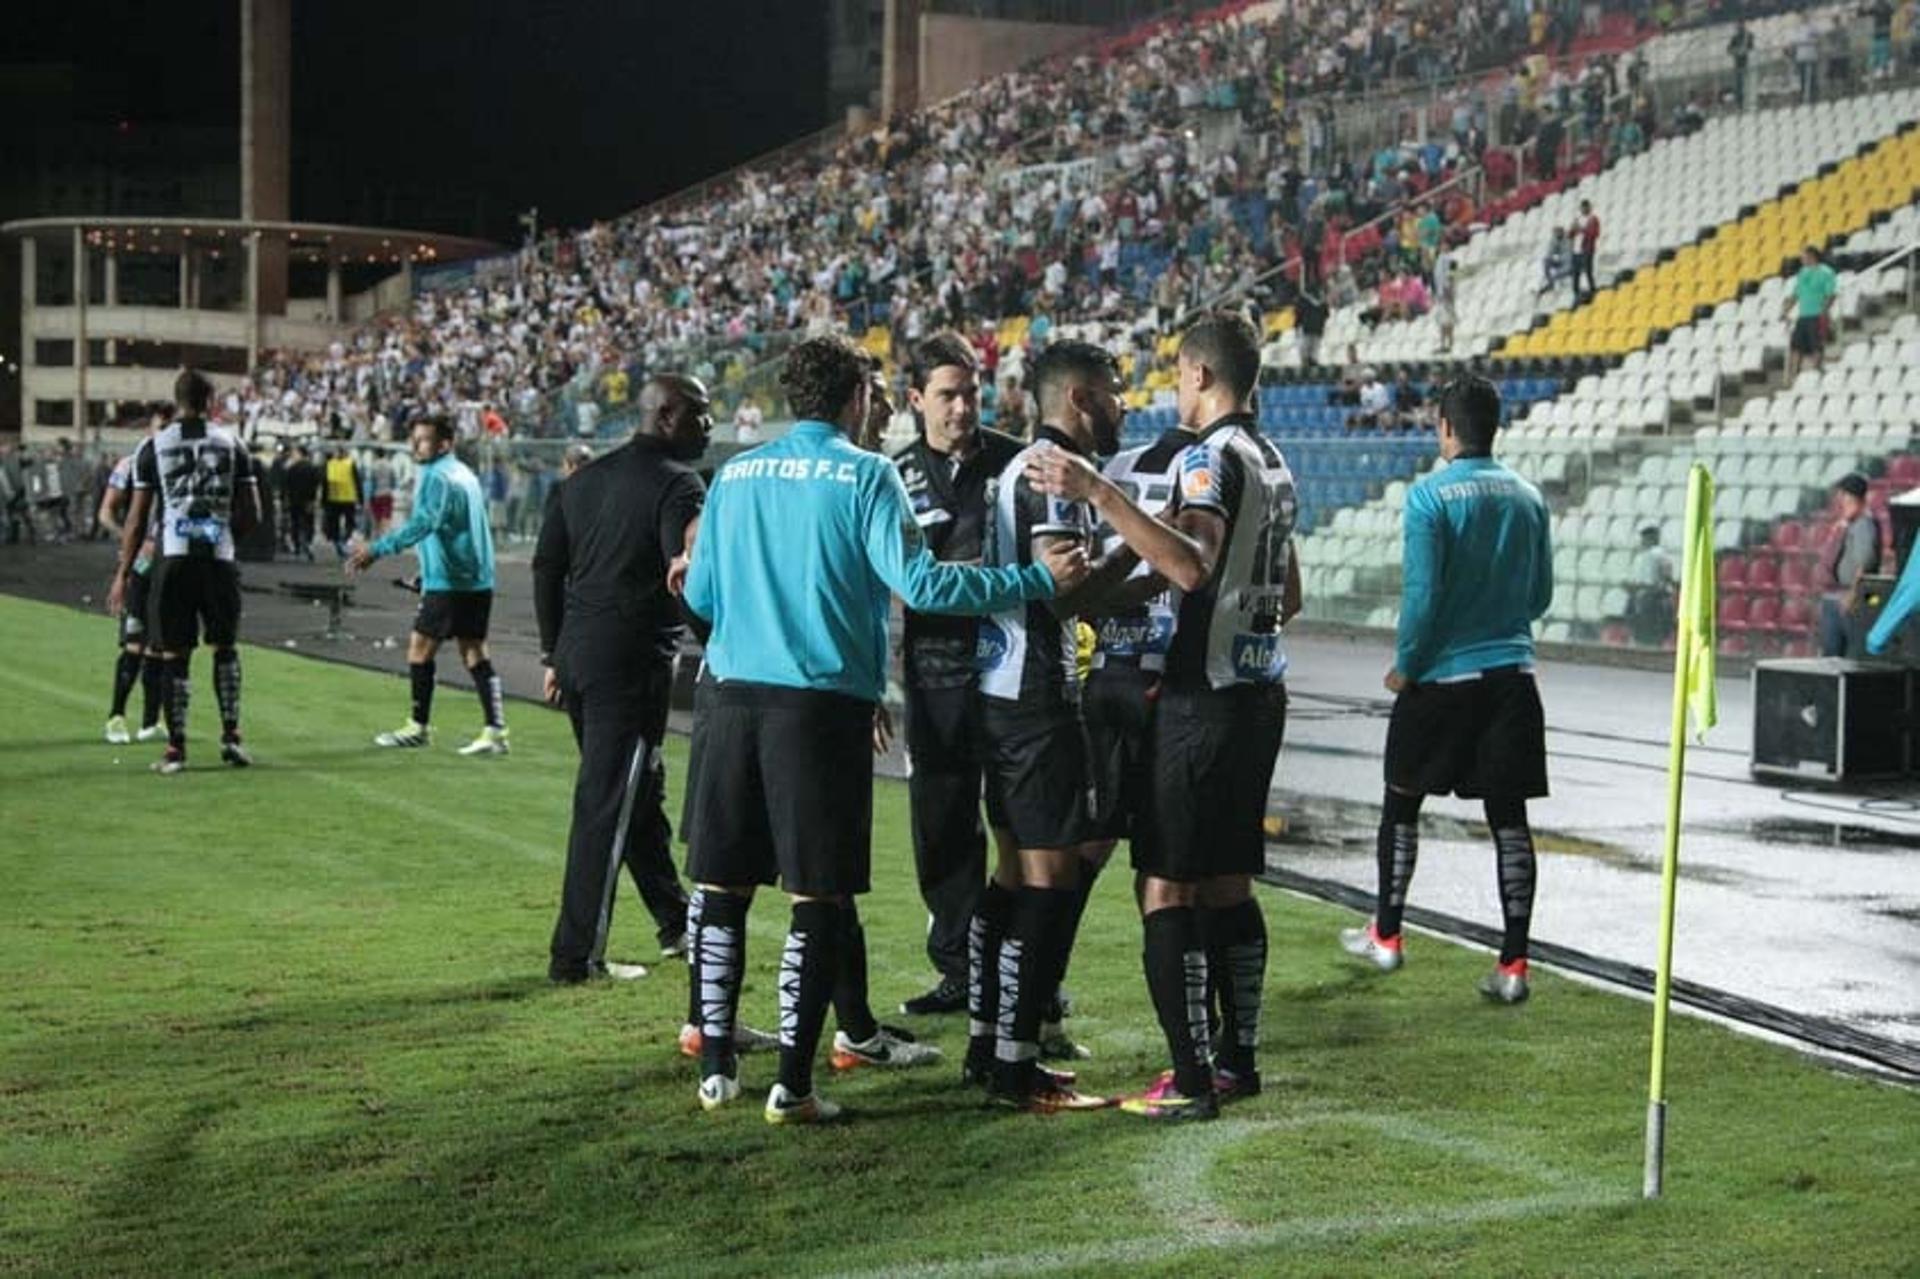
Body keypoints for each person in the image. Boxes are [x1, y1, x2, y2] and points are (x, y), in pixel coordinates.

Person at [677, 333, 1086, 1124]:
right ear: (856, 397)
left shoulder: (733, 473)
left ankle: (718, 1065)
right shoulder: (867, 473)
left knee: (721, 884)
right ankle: (793, 1086)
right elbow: (921, 583)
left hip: (728, 698)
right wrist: (1036, 577)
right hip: (815, 705)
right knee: (816, 897)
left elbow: (702, 594)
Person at [1028, 311, 1302, 1122]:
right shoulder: (1273, 460)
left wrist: (1097, 492)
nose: (1174, 388)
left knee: (1165, 887)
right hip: (1259, 694)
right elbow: (1288, 593)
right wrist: (1112, 588)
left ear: (1200, 374)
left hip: (1201, 700)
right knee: (1226, 883)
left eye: (1179, 374)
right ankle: (1236, 1061)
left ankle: (1187, 1078)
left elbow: (1187, 563)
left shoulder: (1207, 458)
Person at [1340, 375, 1554, 1005]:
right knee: (1509, 818)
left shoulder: (1429, 497)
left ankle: (1387, 935)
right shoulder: (1528, 497)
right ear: (1496, 428)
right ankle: (1514, 966)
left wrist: (1408, 663)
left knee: (1401, 802)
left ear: (1445, 429)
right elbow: (1540, 595)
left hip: (1443, 678)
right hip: (1513, 676)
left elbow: (1424, 595)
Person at [968, 340, 1140, 1113]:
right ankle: (1017, 1063)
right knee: (1050, 879)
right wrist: (1146, 553)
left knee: (1010, 875)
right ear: (1077, 397)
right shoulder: (1057, 472)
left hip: (998, 688)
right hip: (1037, 696)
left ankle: (985, 1041)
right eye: (1112, 392)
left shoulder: (1015, 466)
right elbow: (1065, 592)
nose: (1122, 405)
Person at [535, 376, 711, 985]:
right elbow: (682, 575)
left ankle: (675, 923)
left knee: (636, 798)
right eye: (699, 415)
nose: (708, 427)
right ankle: (575, 957)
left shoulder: (580, 481)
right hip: (630, 667)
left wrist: (551, 654)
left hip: (579, 660)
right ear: (665, 415)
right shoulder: (679, 484)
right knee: (607, 804)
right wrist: (722, 644)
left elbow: (546, 568)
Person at [888, 333, 1024, 1017]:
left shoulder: (1016, 461)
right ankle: (960, 970)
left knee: (1018, 827)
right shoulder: (896, 473)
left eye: (971, 393)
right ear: (917, 400)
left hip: (1011, 674)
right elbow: (903, 588)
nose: (963, 407)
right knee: (941, 829)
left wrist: (944, 581)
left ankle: (1030, 972)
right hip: (934, 678)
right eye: (948, 395)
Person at [106, 370, 262, 775]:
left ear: (177, 400)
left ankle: (176, 749)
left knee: (176, 653)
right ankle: (231, 736)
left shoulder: (153, 446)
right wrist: (224, 539)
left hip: (172, 561)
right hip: (218, 560)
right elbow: (253, 513)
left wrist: (124, 572)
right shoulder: (233, 442)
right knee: (224, 648)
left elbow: (137, 519)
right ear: (211, 399)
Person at [348, 417, 508, 757]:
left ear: (444, 444)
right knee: (474, 650)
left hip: (450, 583)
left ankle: (418, 727)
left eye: (423, 440)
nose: (416, 445)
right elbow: (457, 527)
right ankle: (495, 730)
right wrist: (426, 573)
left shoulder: (436, 476)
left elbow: (425, 523)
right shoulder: (464, 473)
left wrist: (376, 550)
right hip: (476, 578)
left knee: (419, 648)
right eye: (415, 438)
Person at [97, 412, 167, 746]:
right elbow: (106, 511)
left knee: (159, 646)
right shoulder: (130, 464)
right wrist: (126, 539)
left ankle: (151, 722)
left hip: (168, 567)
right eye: (159, 427)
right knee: (135, 643)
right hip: (140, 566)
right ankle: (115, 716)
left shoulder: (179, 467)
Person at [1819, 472, 1883, 656]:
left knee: (1846, 653)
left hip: (1851, 596)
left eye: (1844, 496)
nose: (1840, 501)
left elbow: (1865, 562)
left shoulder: (1864, 525)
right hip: (1838, 595)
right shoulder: (1849, 524)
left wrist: (1853, 593)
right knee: (1832, 652)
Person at [1784, 245, 1839, 381]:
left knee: (1816, 345)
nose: (1802, 260)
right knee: (1795, 345)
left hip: (1817, 314)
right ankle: (1793, 375)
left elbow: (1830, 294)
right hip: (1803, 315)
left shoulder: (1826, 272)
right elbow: (1796, 294)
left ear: (1812, 256)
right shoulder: (1802, 272)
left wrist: (1824, 312)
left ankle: (1816, 372)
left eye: (1804, 257)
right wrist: (1786, 310)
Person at [1627, 522, 1676, 647]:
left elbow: (1662, 578)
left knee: (1649, 633)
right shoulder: (1645, 555)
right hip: (1645, 595)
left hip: (1653, 598)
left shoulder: (1656, 554)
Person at [322, 447, 363, 558]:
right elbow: (357, 482)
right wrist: (360, 499)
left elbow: (325, 483)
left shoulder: (329, 464)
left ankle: (339, 543)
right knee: (350, 522)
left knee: (334, 524)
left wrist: (323, 500)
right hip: (348, 498)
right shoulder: (350, 464)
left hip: (333, 498)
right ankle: (343, 541)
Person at [284, 445, 321, 560]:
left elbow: (286, 486)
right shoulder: (313, 468)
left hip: (294, 500)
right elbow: (317, 484)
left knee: (295, 523)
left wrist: (285, 499)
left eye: (295, 453)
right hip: (309, 500)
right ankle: (308, 543)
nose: (293, 455)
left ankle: (297, 546)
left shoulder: (291, 468)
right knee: (309, 522)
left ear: (300, 453)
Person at [1570, 201, 1600, 301]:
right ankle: (1576, 293)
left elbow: (1594, 234)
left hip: (1587, 250)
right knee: (1575, 273)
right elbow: (1570, 235)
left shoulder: (1593, 219)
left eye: (1585, 207)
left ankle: (1592, 291)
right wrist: (1572, 229)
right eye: (1582, 207)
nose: (1583, 209)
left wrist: (1581, 229)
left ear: (1589, 208)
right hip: (1576, 250)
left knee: (1588, 271)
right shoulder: (1577, 219)